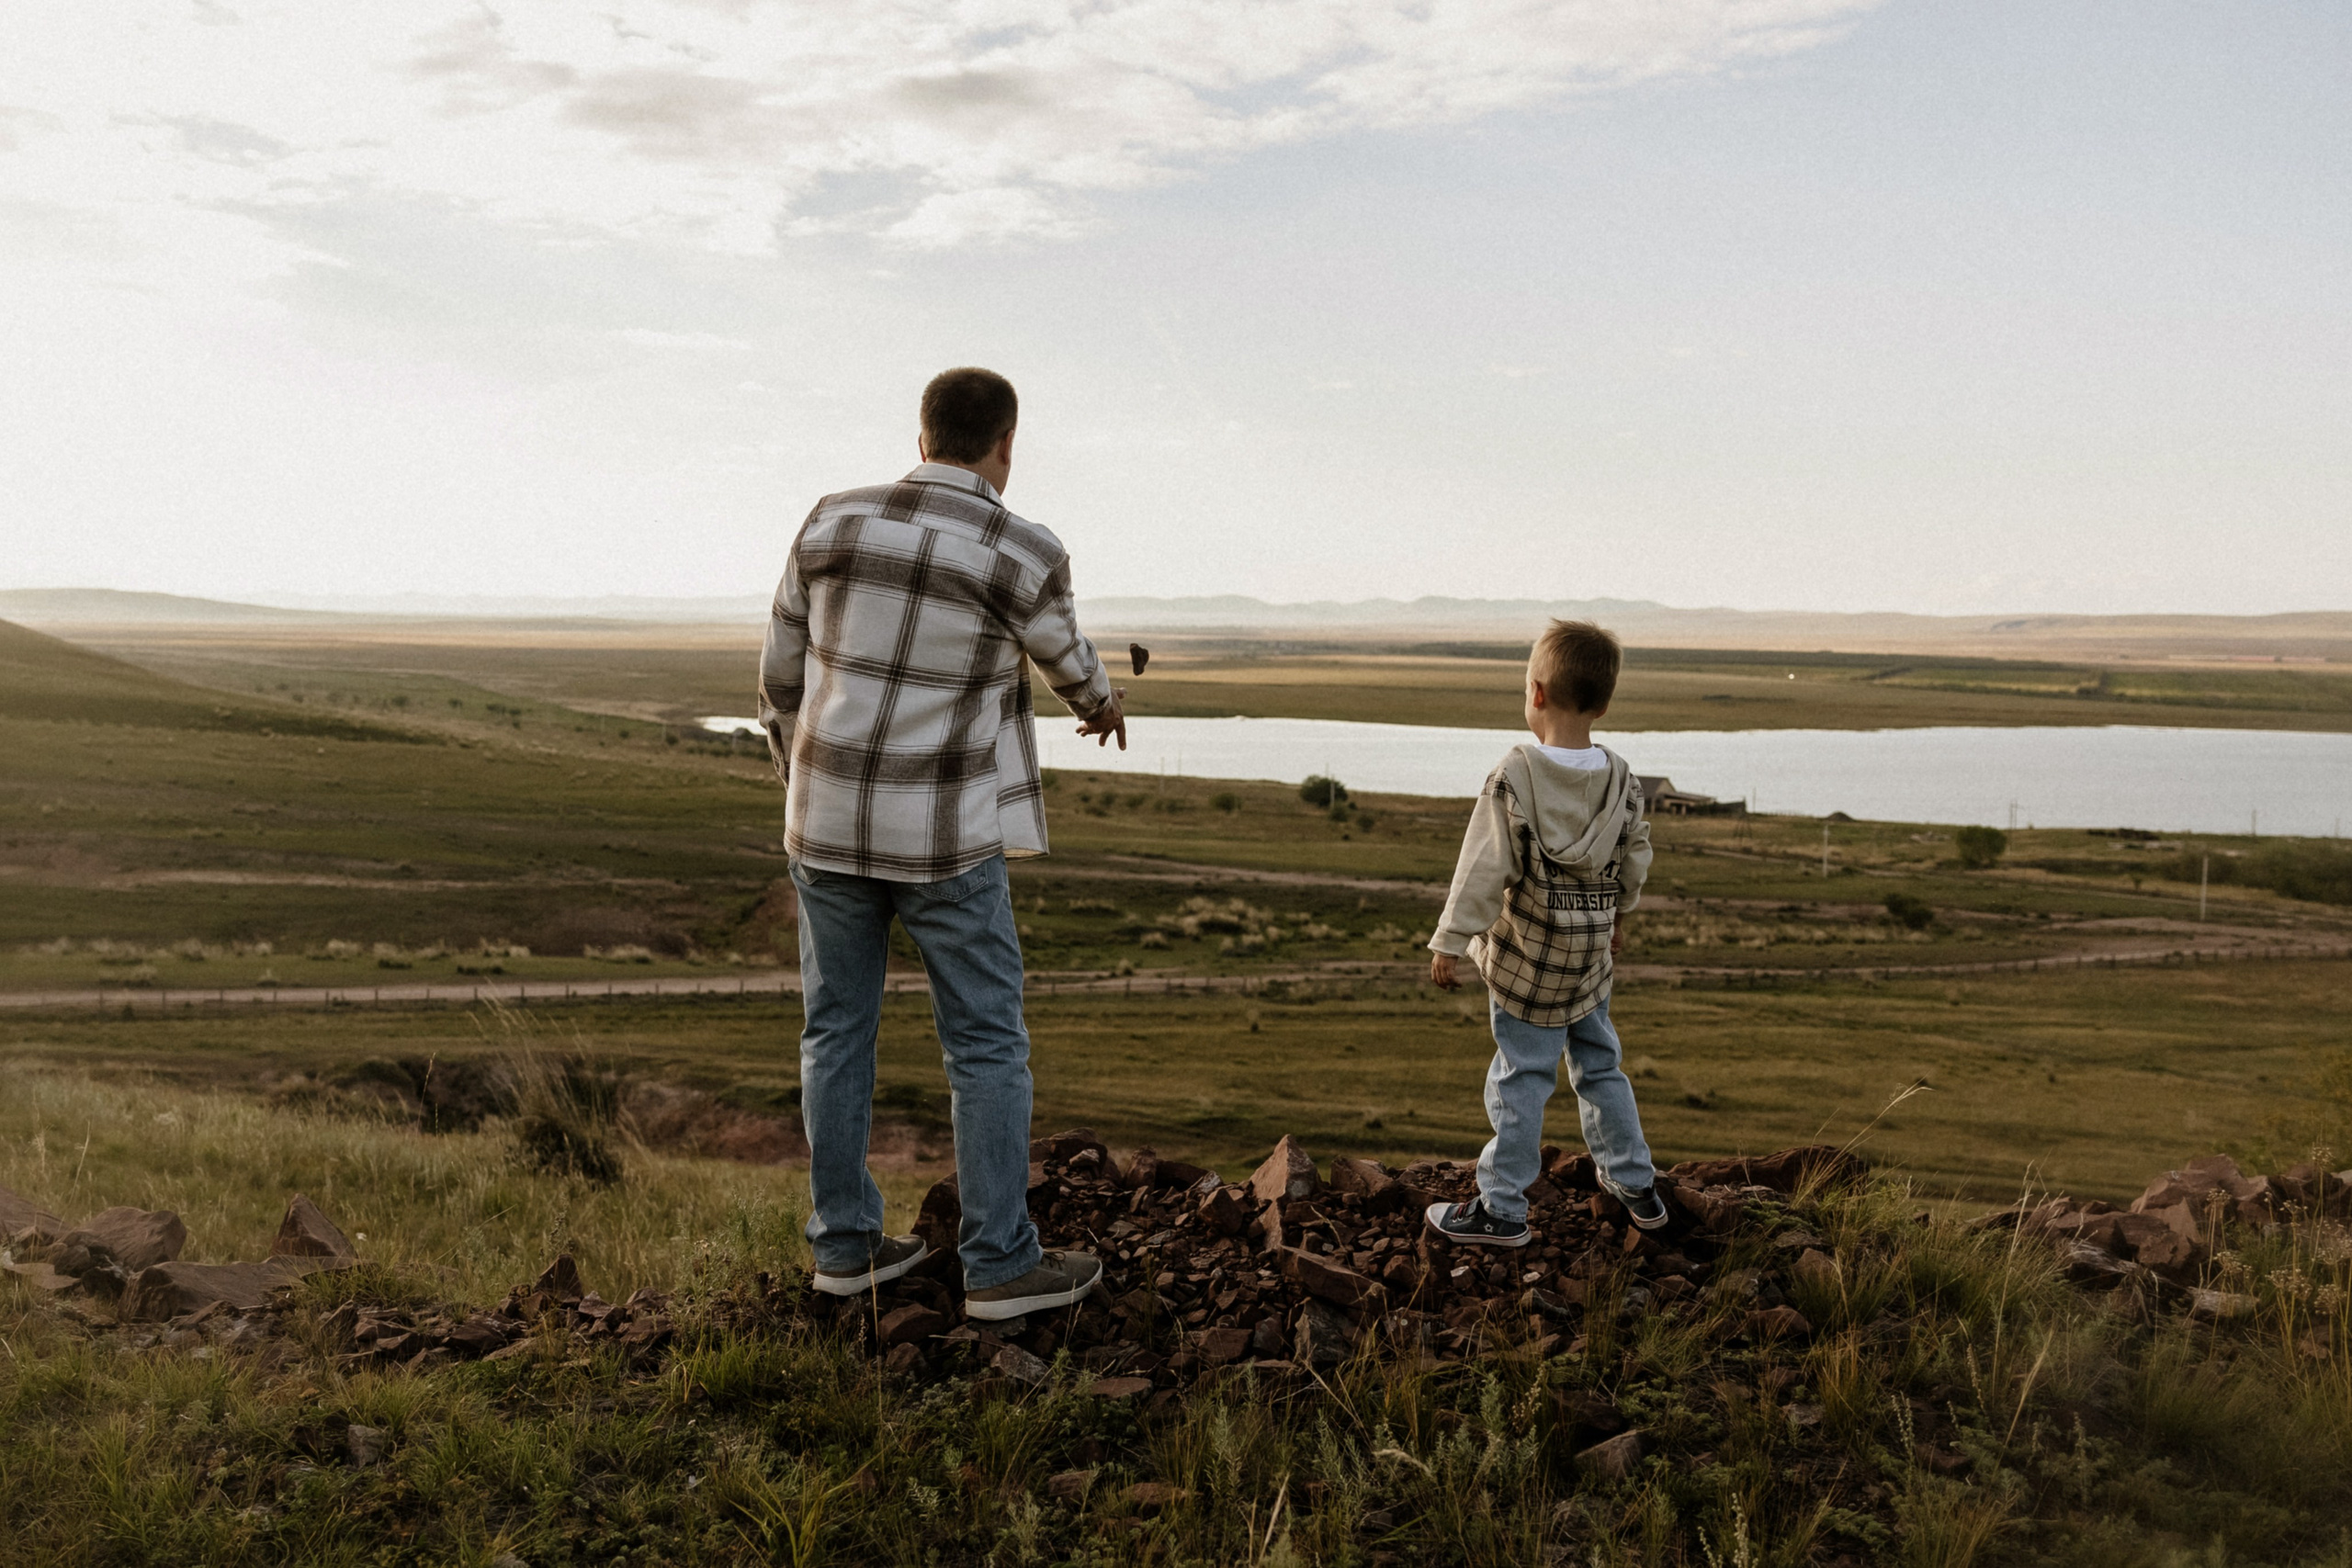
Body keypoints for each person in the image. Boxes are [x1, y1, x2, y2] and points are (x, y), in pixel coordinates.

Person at [757, 367, 1125, 1320]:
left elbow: (779, 679)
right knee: (986, 1045)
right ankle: (999, 1264)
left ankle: (844, 1249)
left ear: (920, 439)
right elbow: (1070, 665)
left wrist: (805, 788)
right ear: (1006, 446)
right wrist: (1101, 705)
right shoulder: (1024, 549)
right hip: (946, 843)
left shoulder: (830, 522)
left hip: (825, 824)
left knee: (835, 1034)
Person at [1424, 619, 1668, 1243]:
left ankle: (1501, 1207)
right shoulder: (1621, 778)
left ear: (1535, 692)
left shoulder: (1516, 775)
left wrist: (1450, 938)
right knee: (1601, 1064)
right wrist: (1619, 913)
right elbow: (1635, 855)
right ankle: (1635, 1181)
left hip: (1530, 962)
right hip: (1589, 957)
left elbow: (1484, 865)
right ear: (1604, 703)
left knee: (1522, 1074)